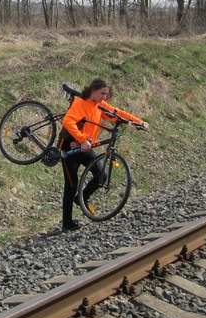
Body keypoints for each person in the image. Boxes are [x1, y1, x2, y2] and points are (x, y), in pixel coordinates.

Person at [59, 79, 148, 232]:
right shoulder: (80, 103)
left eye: (107, 94)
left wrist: (139, 122)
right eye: (102, 93)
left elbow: (117, 113)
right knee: (71, 184)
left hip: (85, 147)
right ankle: (67, 223)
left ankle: (81, 198)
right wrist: (81, 139)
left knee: (101, 175)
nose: (104, 97)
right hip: (70, 147)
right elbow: (68, 121)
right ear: (93, 90)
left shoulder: (100, 105)